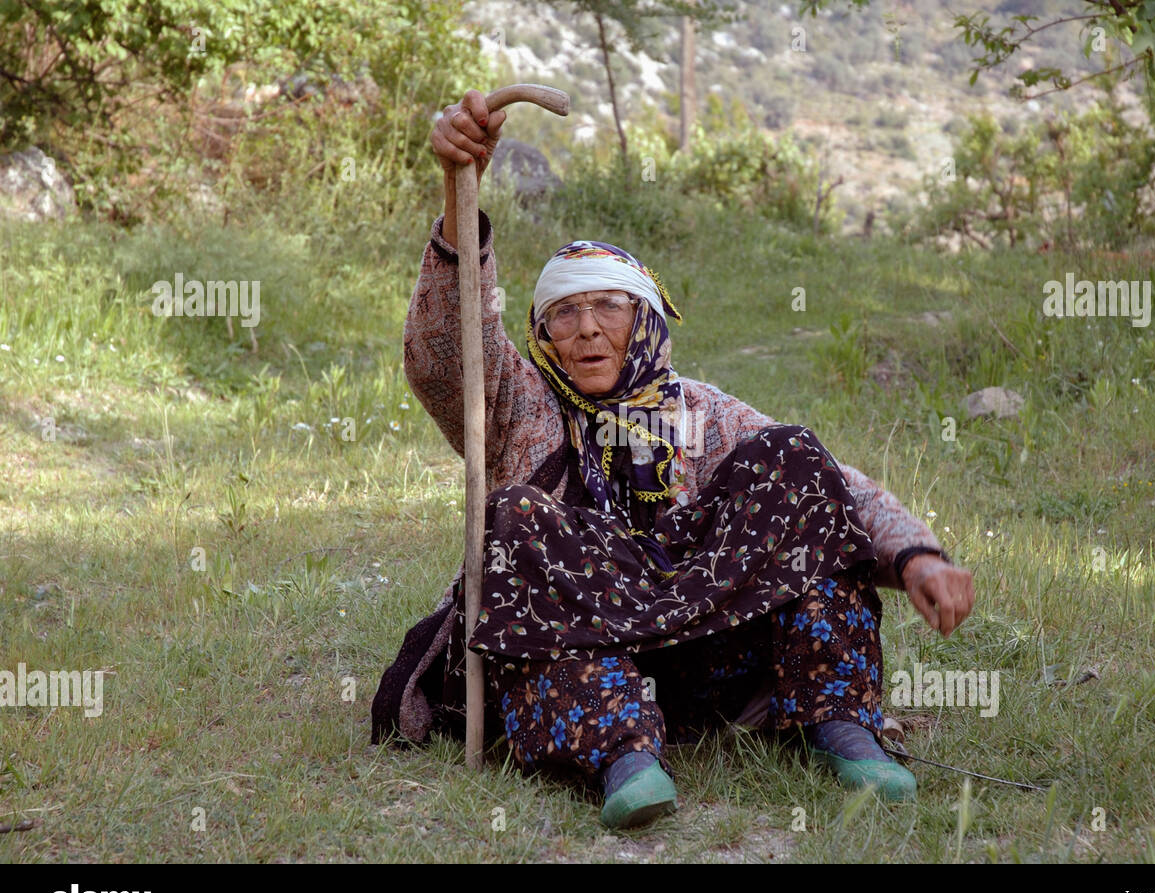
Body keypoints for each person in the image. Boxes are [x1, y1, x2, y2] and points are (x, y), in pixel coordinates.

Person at [371, 90, 975, 829]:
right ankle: (624, 756)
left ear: (647, 322)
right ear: (543, 336)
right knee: (514, 517)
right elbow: (442, 357)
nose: (588, 330)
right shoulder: (517, 403)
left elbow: (827, 492)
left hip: (710, 647)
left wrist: (915, 555)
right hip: (582, 658)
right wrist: (456, 185)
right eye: (564, 313)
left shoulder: (701, 410)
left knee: (789, 454)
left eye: (610, 308)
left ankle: (841, 725)